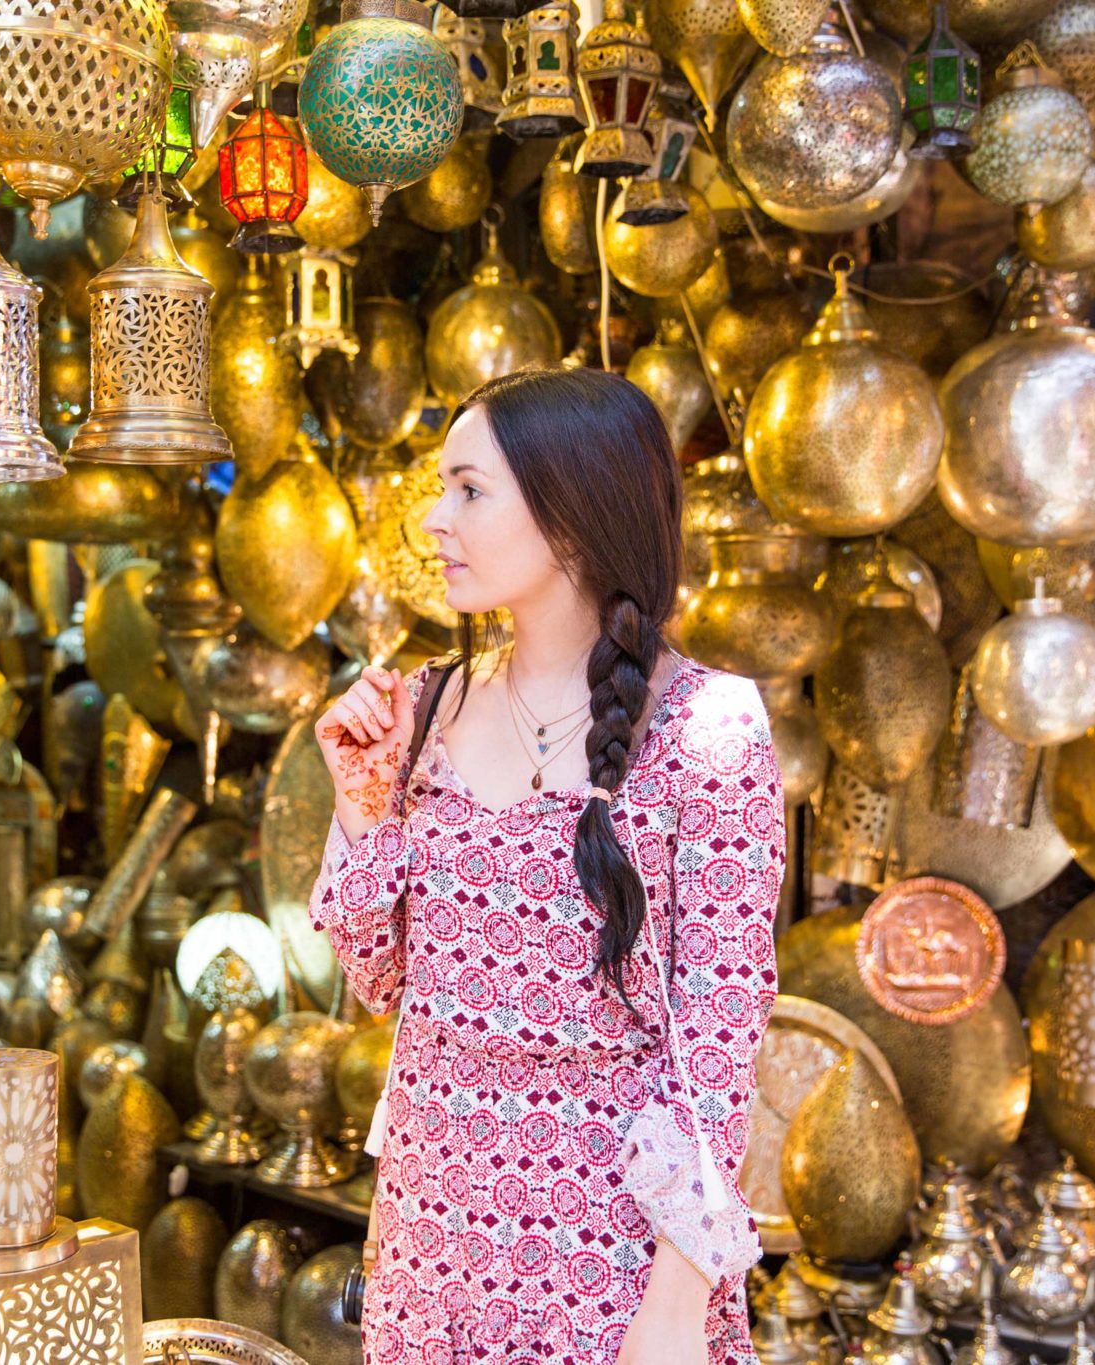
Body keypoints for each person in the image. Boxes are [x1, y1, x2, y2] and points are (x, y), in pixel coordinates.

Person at [307, 366, 784, 1364]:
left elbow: (715, 1046)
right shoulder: (425, 706)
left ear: (572, 514)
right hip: (430, 1242)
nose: (433, 519)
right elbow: (381, 983)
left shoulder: (707, 729)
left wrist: (675, 1304)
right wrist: (358, 805)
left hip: (608, 1254)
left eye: (468, 490)